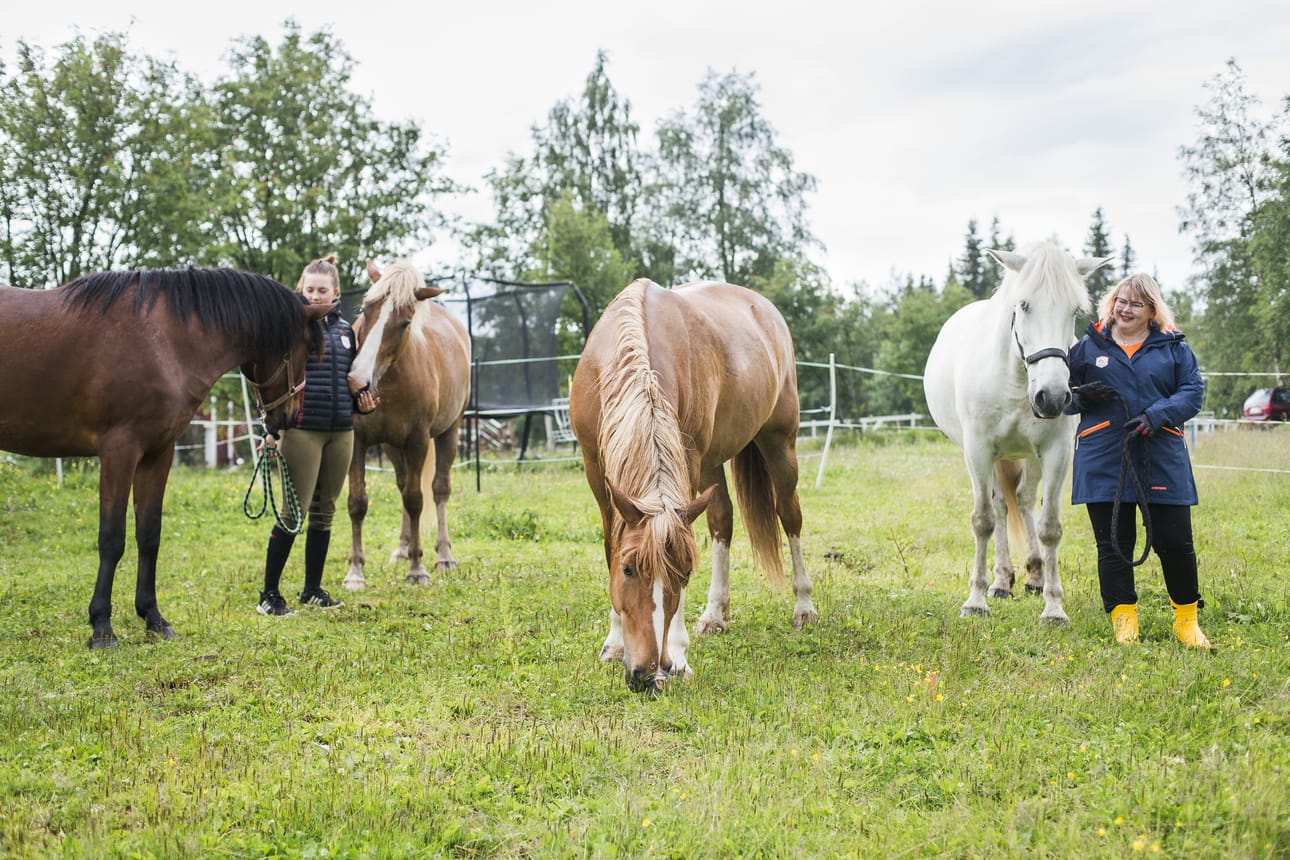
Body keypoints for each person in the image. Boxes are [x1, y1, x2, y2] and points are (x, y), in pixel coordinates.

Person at [1067, 272, 1212, 650]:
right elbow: (1061, 398)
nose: (1125, 309)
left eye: (1136, 304)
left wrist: (1157, 415)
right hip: (1103, 457)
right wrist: (1083, 397)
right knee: (1113, 543)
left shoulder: (1173, 347)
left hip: (1160, 454)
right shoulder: (1087, 347)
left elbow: (1192, 392)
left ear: (1152, 311)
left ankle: (1187, 622)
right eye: (1121, 301)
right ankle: (1124, 622)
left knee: (1176, 542)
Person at [256, 255, 378, 616]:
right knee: (292, 513)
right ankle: (269, 595)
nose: (314, 296)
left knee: (324, 513)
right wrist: (271, 430)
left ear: (335, 292)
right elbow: (275, 382)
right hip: (302, 431)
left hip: (341, 431)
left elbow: (353, 381)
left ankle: (312, 590)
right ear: (300, 288)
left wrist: (363, 403)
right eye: (309, 289)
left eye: (322, 290)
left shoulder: (346, 332)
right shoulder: (289, 329)